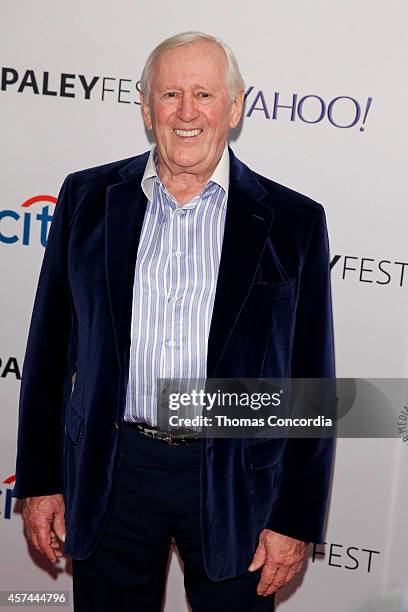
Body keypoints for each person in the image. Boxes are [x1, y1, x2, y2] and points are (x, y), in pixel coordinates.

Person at [13, 31, 335, 611]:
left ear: (234, 108)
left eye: (205, 94)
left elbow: (312, 380)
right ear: (144, 106)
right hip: (115, 469)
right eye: (170, 95)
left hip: (236, 480)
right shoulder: (87, 198)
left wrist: (294, 516)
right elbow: (47, 351)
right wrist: (38, 481)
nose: (187, 113)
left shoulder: (293, 222)